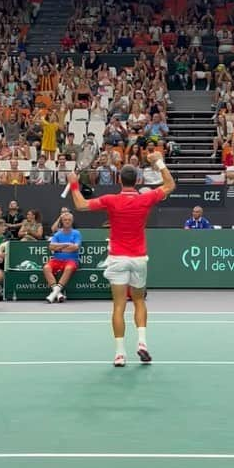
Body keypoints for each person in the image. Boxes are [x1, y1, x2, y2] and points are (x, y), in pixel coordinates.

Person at [68, 148, 175, 367]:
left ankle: (119, 354)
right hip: (138, 259)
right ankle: (142, 343)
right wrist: (160, 163)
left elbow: (80, 204)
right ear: (137, 180)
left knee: (118, 306)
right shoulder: (145, 199)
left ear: (120, 180)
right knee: (138, 300)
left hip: (117, 258)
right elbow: (170, 186)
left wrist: (74, 184)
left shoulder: (111, 200)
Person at [43, 208, 81, 304]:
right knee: (46, 268)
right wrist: (66, 244)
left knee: (68, 268)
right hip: (57, 259)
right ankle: (58, 294)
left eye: (69, 220)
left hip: (71, 260)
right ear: (62, 221)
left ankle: (53, 294)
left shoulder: (76, 233)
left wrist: (59, 247)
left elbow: (75, 247)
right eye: (65, 220)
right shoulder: (57, 234)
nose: (67, 222)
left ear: (72, 222)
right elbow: (51, 246)